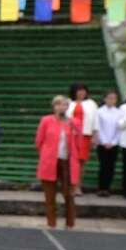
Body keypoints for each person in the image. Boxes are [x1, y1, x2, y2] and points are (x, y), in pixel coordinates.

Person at [35, 93, 86, 229]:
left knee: (69, 195)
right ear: (53, 107)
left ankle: (70, 223)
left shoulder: (74, 122)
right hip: (50, 162)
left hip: (67, 163)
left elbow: (79, 142)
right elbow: (39, 141)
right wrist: (47, 155)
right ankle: (51, 223)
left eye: (64, 104)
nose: (61, 107)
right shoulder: (46, 120)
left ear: (67, 107)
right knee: (49, 196)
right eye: (58, 104)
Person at [92, 90, 122, 197]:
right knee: (103, 165)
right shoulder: (99, 111)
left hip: (114, 143)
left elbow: (120, 129)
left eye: (113, 98)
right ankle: (101, 188)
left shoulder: (119, 112)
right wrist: (104, 141)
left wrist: (113, 142)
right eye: (109, 98)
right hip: (102, 143)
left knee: (111, 166)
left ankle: (108, 188)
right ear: (104, 99)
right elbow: (98, 128)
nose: (111, 100)